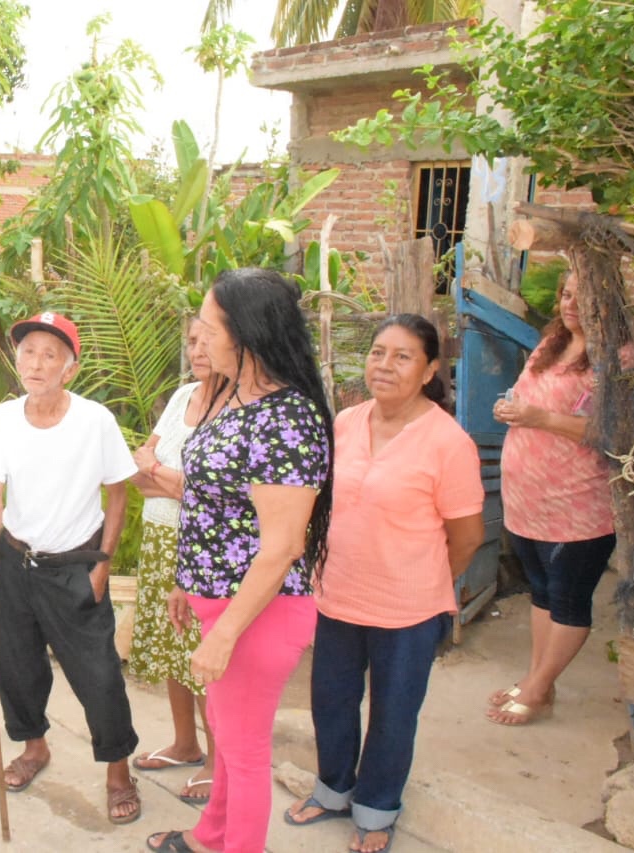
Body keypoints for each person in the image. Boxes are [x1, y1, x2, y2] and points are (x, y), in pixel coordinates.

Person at [146, 269, 334, 853]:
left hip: (259, 611)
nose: (201, 335)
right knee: (227, 738)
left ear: (246, 331)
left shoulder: (287, 418)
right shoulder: (234, 396)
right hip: (221, 600)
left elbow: (282, 547)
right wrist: (187, 579)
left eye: (211, 324)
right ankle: (212, 834)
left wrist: (225, 634)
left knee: (245, 751)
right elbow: (211, 499)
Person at [284, 314, 485, 853]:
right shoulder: (347, 423)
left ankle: (376, 808)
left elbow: (467, 536)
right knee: (331, 700)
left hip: (409, 609)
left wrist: (423, 580)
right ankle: (332, 790)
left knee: (393, 713)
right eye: (378, 353)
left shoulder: (448, 442)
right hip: (339, 594)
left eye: (403, 356)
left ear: (429, 370)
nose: (385, 365)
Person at [0, 311, 143, 824]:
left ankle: (118, 772)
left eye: (49, 355)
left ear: (70, 368)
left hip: (76, 565)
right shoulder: (2, 418)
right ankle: (34, 747)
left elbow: (117, 495)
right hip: (17, 563)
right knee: (16, 667)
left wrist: (102, 567)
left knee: (99, 676)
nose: (35, 363)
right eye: (28, 352)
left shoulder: (95, 421)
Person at [486, 269, 615, 725]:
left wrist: (537, 418)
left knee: (568, 599)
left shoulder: (619, 360)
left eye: (584, 296)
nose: (570, 304)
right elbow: (526, 399)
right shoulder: (550, 346)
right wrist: (510, 409)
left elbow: (611, 433)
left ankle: (539, 689)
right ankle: (538, 679)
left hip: (577, 505)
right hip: (527, 501)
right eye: (566, 294)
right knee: (541, 593)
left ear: (608, 302)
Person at [127, 318, 229, 804]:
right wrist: (165, 477)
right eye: (192, 340)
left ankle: (218, 761)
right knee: (172, 649)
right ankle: (185, 743)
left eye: (209, 340)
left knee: (202, 656)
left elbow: (213, 496)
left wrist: (156, 470)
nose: (198, 349)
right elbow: (137, 474)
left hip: (201, 545)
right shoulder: (181, 396)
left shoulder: (236, 408)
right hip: (158, 538)